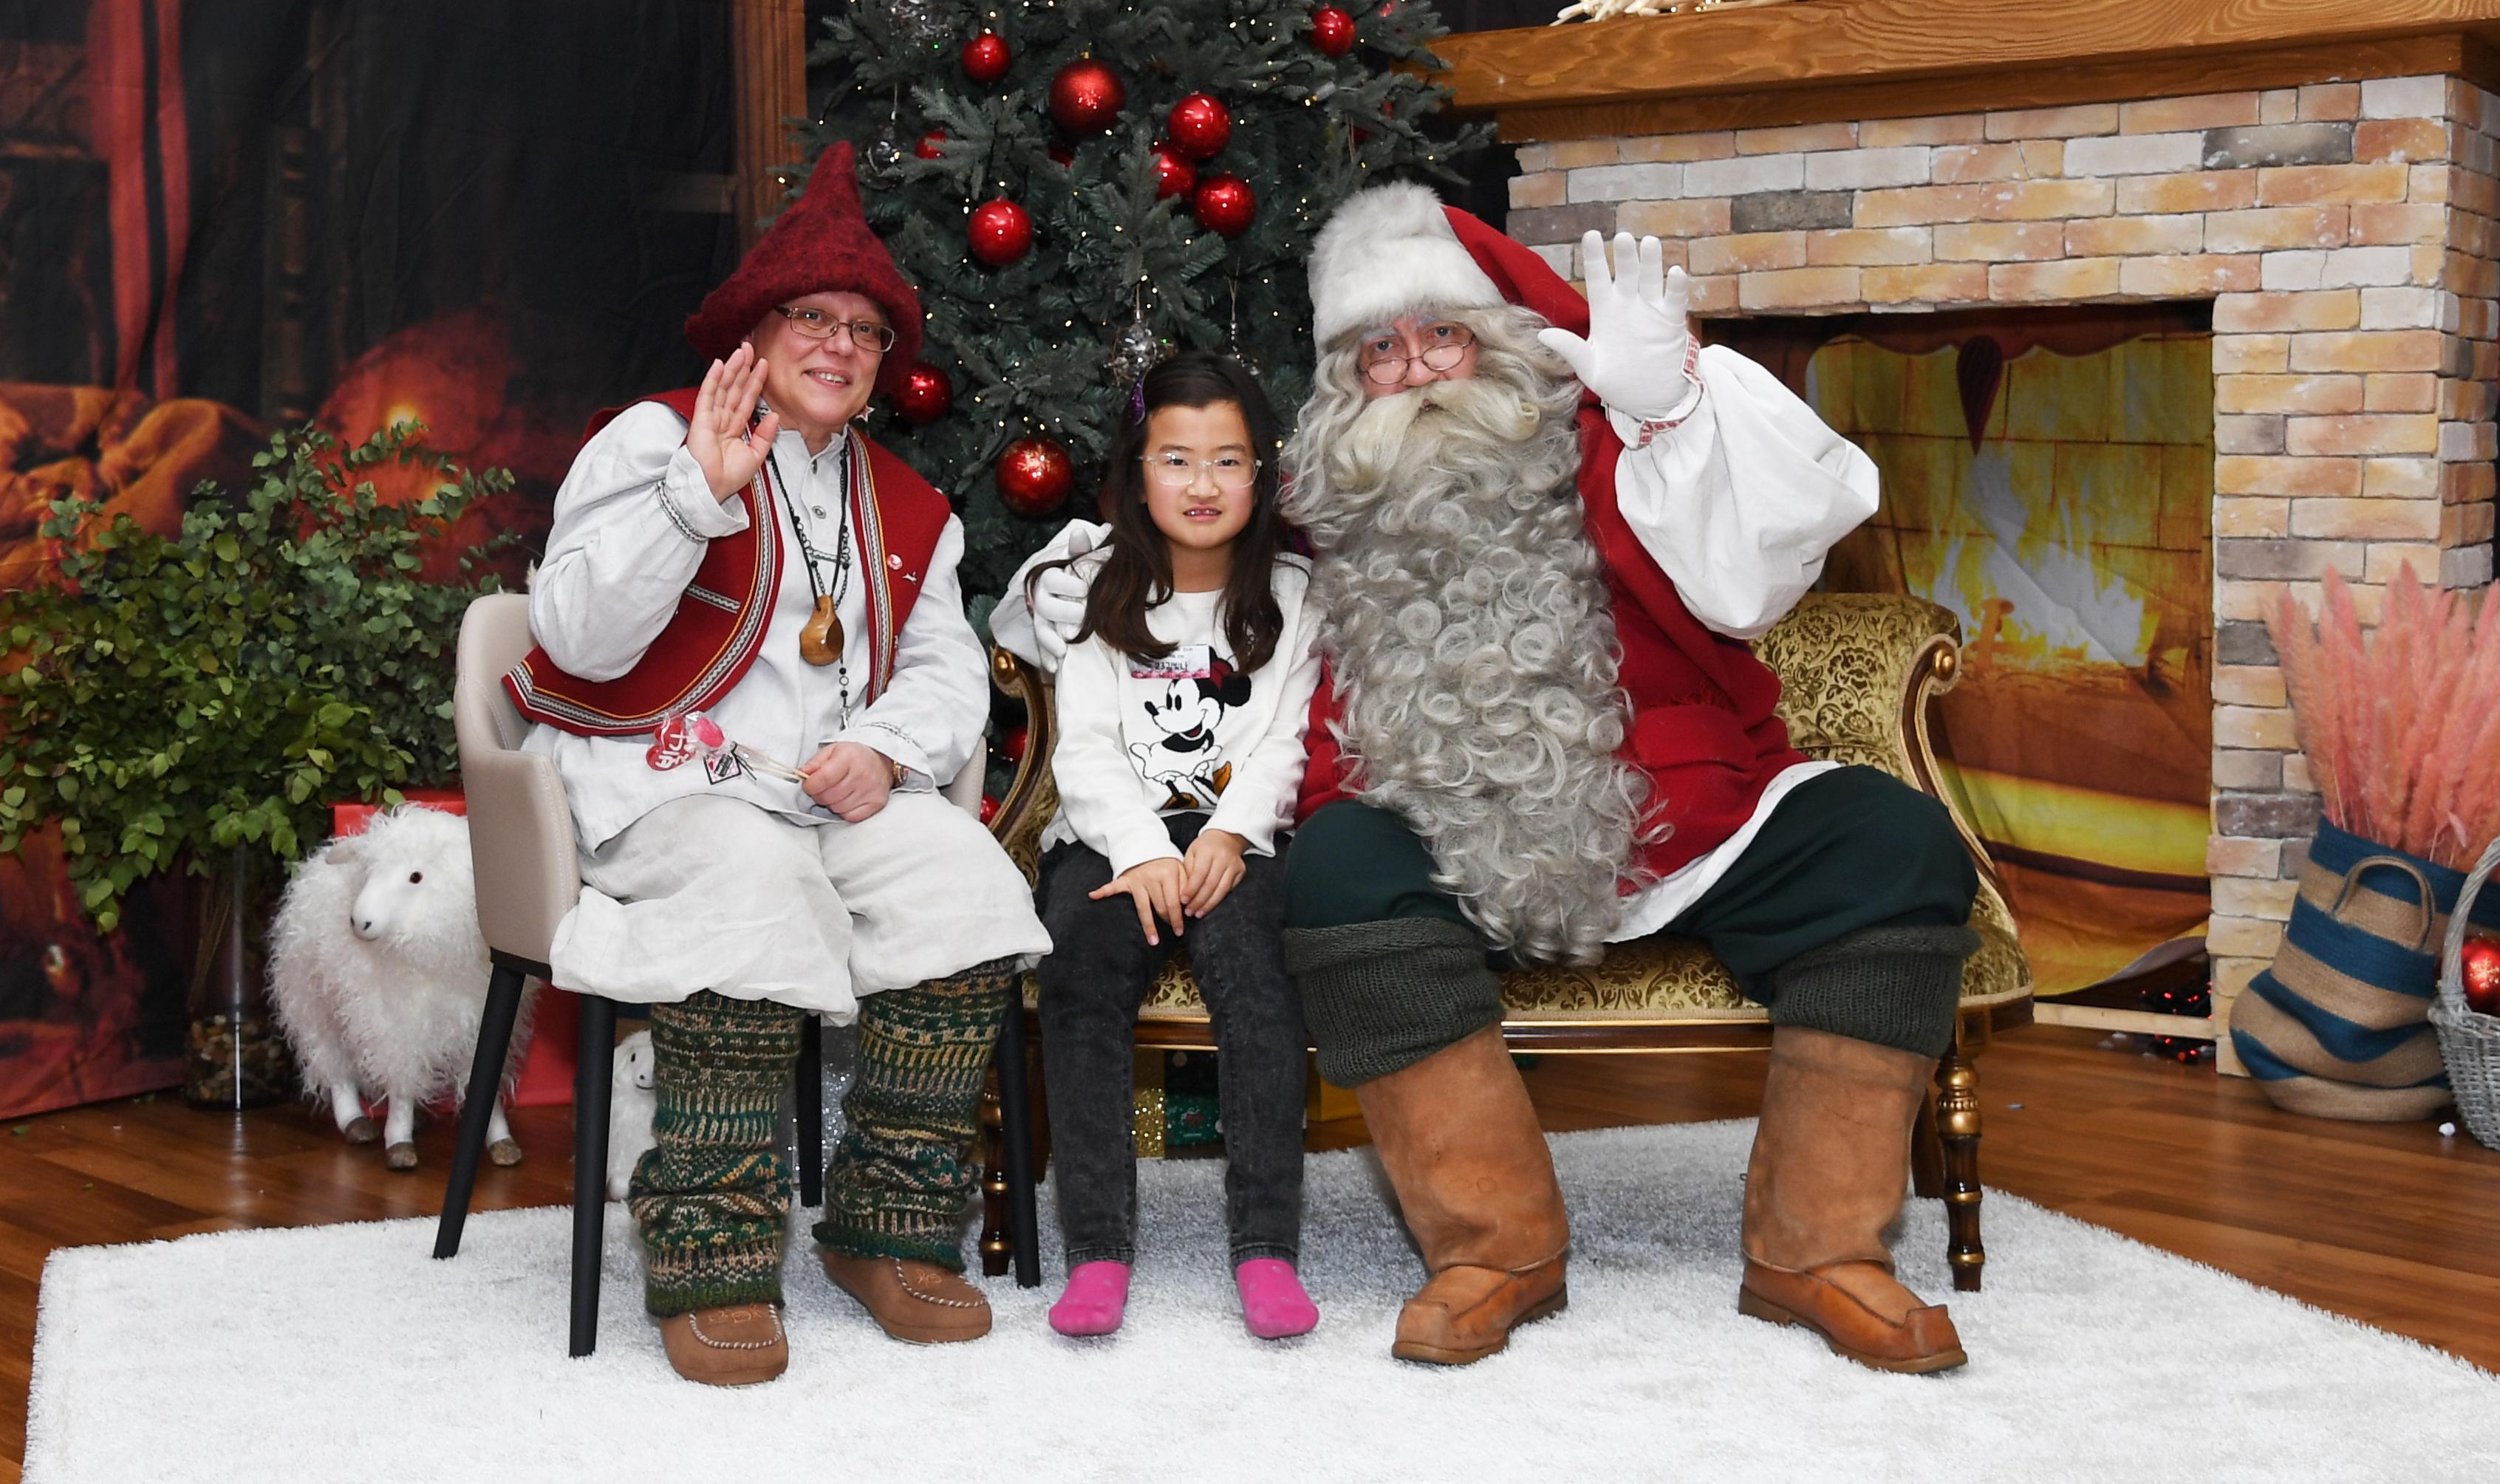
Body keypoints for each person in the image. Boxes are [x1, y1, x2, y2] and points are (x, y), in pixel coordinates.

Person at [997, 182, 1980, 1375]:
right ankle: (1493, 1245)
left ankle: (1818, 1251)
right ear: (1343, 387)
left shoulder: (1621, 450)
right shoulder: (1316, 506)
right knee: (1340, 867)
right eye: (1381, 350)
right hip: (1434, 838)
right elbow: (1170, 560)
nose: (1417, 371)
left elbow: (1751, 581)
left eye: (1443, 335)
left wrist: (1671, 408)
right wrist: (1046, 596)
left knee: (1893, 841)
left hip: (1674, 818)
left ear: (1503, 345)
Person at [508, 143, 1048, 1387]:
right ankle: (712, 1246)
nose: (839, 343)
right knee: (750, 885)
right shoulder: (647, 443)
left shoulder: (910, 504)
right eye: (813, 315)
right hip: (662, 782)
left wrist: (884, 743)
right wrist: (695, 496)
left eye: (865, 329)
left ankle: (888, 1227)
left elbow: (948, 669)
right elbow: (574, 633)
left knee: (963, 887)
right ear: (754, 327)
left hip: (825, 792)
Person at [1028, 353, 1321, 1342]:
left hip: (1238, 839)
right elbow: (1088, 745)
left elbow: (1284, 738)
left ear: (1261, 473)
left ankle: (1267, 1246)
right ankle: (1099, 1247)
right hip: (1111, 837)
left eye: (1228, 461)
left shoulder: (1292, 591)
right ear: (1138, 471)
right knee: (1081, 969)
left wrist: (1234, 834)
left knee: (1259, 973)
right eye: (1178, 459)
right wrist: (1142, 853)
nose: (1202, 485)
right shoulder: (1087, 592)